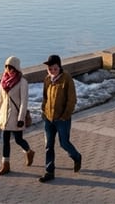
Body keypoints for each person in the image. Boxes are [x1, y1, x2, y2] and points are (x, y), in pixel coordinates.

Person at [38, 54, 82, 182]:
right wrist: (44, 110)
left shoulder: (67, 79)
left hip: (62, 119)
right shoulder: (47, 79)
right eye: (50, 69)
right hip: (48, 118)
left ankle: (76, 156)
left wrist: (65, 115)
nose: (52, 71)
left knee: (64, 143)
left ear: (60, 67)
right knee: (49, 145)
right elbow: (45, 97)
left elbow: (72, 99)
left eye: (54, 68)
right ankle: (49, 171)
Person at [0, 56, 34, 175]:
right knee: (5, 140)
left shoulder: (22, 82)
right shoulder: (3, 81)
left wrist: (21, 118)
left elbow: (24, 102)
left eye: (11, 68)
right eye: (7, 67)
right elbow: (0, 98)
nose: (9, 70)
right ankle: (6, 165)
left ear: (16, 68)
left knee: (18, 140)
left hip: (15, 117)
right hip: (4, 116)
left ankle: (29, 152)